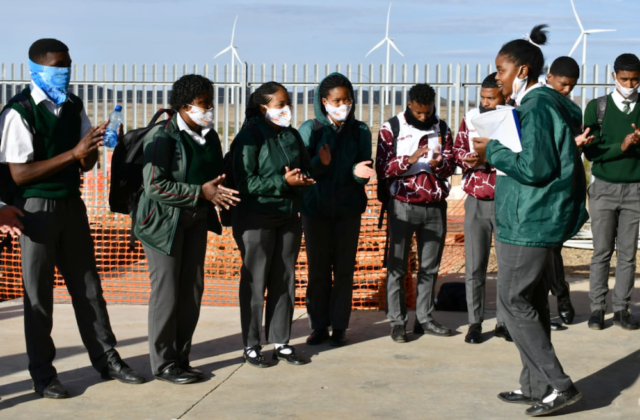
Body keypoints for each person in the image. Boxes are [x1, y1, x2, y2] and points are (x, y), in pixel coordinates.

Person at [0, 38, 144, 399]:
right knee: (39, 297)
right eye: (57, 66)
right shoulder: (18, 112)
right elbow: (19, 174)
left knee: (89, 288)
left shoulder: (74, 105)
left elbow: (85, 162)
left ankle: (106, 358)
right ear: (36, 69)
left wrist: (97, 146)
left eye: (68, 65)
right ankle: (43, 375)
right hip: (34, 211)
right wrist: (73, 153)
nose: (65, 72)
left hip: (71, 206)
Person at [472, 25, 588, 416]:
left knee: (512, 303)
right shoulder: (543, 104)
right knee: (531, 301)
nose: (498, 79)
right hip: (532, 217)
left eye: (501, 70)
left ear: (521, 71)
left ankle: (559, 385)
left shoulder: (537, 106)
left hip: (529, 220)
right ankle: (536, 385)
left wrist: (494, 152)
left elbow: (535, 167)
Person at [134, 74, 238, 384]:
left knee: (191, 290)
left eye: (211, 103)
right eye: (204, 104)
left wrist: (221, 188)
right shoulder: (161, 138)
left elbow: (214, 175)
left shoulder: (209, 135)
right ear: (184, 106)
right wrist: (200, 193)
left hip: (194, 221)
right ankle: (163, 363)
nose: (209, 110)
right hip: (162, 225)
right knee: (167, 292)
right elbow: (154, 185)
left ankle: (181, 357)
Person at [232, 81, 314, 367]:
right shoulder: (249, 137)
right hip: (256, 219)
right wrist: (283, 181)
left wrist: (305, 178)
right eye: (280, 105)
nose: (287, 109)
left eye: (288, 103)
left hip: (289, 218)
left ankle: (281, 341)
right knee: (255, 283)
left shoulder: (292, 135)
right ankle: (251, 345)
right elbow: (245, 182)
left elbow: (303, 168)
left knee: (284, 280)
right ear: (263, 107)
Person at [376, 83, 456, 343]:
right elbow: (383, 168)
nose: (424, 117)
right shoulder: (391, 128)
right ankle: (398, 322)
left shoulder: (442, 129)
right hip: (402, 206)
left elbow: (452, 164)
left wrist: (440, 164)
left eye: (428, 111)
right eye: (419, 112)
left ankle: (425, 319)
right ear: (409, 105)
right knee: (397, 268)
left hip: (434, 208)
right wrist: (407, 160)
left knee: (429, 268)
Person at [299, 73, 374, 347]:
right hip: (315, 210)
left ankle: (340, 326)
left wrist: (358, 174)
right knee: (318, 270)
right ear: (324, 101)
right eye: (336, 100)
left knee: (344, 270)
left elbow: (365, 166)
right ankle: (318, 326)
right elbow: (302, 169)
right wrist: (321, 164)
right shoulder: (311, 129)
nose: (343, 105)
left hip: (347, 210)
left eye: (347, 99)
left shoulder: (361, 131)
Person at [453, 72, 512, 344]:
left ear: (504, 95)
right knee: (475, 267)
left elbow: (519, 154)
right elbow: (457, 151)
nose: (486, 102)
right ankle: (474, 323)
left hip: (505, 200)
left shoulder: (513, 118)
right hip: (476, 201)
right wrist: (468, 160)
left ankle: (504, 322)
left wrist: (492, 156)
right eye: (483, 97)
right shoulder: (471, 118)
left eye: (492, 98)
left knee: (507, 267)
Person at [583, 53, 640, 331]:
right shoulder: (597, 107)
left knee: (628, 254)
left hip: (636, 192)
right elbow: (591, 151)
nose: (629, 85)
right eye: (624, 79)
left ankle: (622, 310)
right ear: (614, 76)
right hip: (603, 190)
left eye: (635, 80)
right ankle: (596, 309)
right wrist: (623, 146)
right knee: (601, 252)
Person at [542, 56, 594, 330]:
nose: (566, 91)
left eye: (571, 87)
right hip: (536, 186)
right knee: (541, 251)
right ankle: (558, 298)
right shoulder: (535, 103)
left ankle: (561, 297)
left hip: (559, 191)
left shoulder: (572, 111)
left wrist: (578, 145)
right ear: (549, 77)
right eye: (563, 84)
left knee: (552, 249)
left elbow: (571, 152)